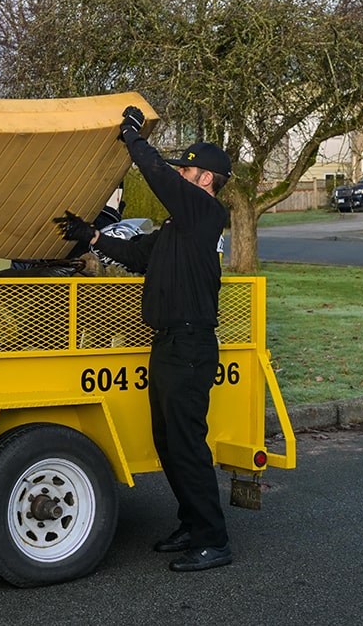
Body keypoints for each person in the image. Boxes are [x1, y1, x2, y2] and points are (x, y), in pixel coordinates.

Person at [54, 106, 233, 572]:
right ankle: (192, 524)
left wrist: (134, 141)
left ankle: (213, 539)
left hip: (191, 346)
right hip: (169, 344)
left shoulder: (204, 210)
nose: (180, 175)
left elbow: (159, 177)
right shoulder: (179, 227)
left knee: (188, 444)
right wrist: (93, 236)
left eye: (187, 169)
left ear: (206, 179)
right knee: (168, 440)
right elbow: (137, 254)